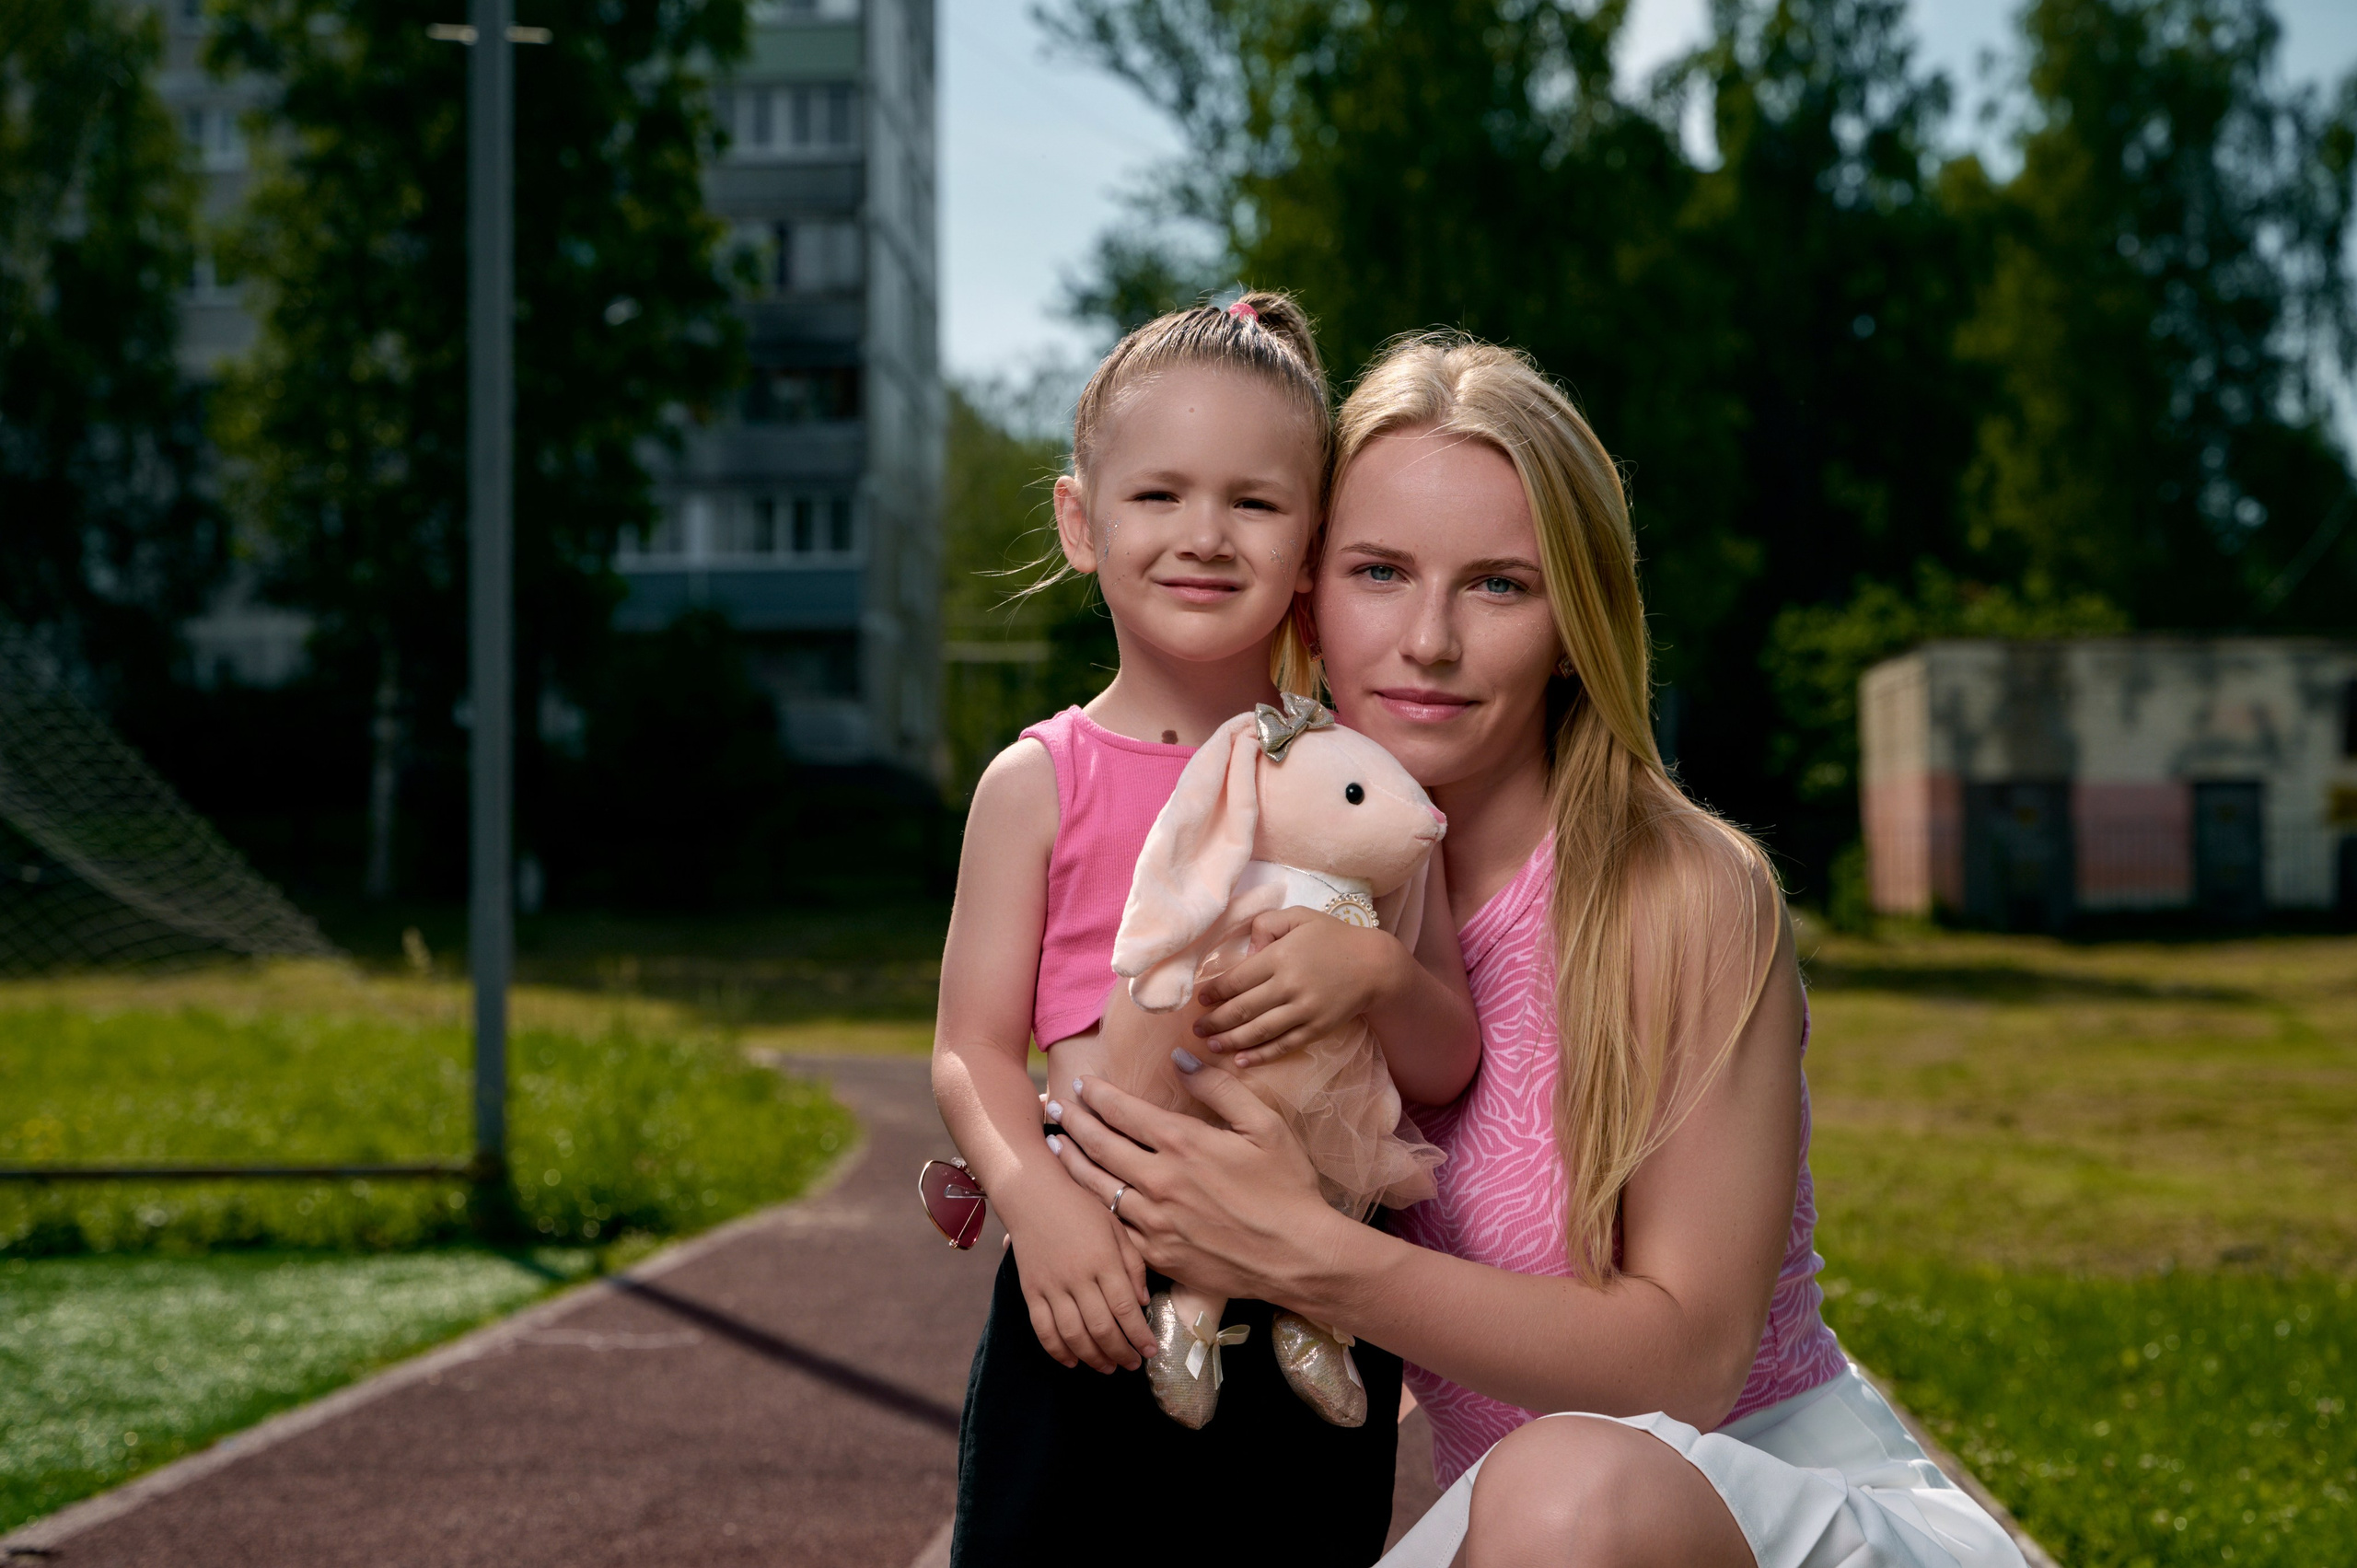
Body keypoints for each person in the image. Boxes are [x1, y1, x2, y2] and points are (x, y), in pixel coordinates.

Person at [1049, 334, 2029, 1568]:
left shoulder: (1685, 890)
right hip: (1515, 1519)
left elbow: (1688, 1359)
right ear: (1308, 591)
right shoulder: (1283, 882)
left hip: (1754, 1496)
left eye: (1500, 585)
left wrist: (1308, 1253)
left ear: (1576, 620)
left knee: (1564, 1485)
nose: (1430, 641)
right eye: (1380, 572)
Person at [931, 296, 1481, 1567]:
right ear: (1081, 521)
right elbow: (969, 1046)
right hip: (1095, 1290)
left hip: (1313, 1307)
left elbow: (1446, 1058)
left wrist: (1375, 971)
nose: (1204, 536)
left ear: (1312, 547)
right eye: (1160, 495)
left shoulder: (1360, 783)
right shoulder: (1040, 780)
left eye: (1254, 502)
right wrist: (1035, 1204)